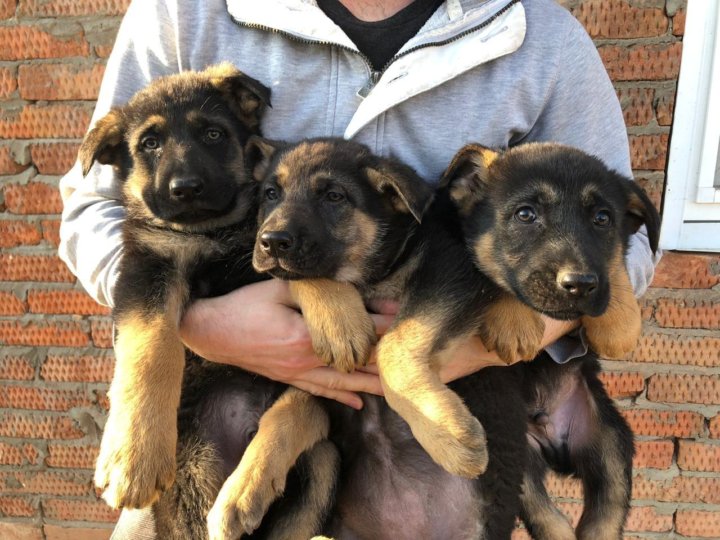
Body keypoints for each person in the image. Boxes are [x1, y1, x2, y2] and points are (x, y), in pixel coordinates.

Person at [58, 0, 659, 536]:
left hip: (429, 463)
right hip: (209, 440)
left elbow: (613, 228)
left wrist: (477, 342)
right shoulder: (184, 11)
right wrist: (205, 327)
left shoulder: (541, 38)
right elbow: (95, 208)